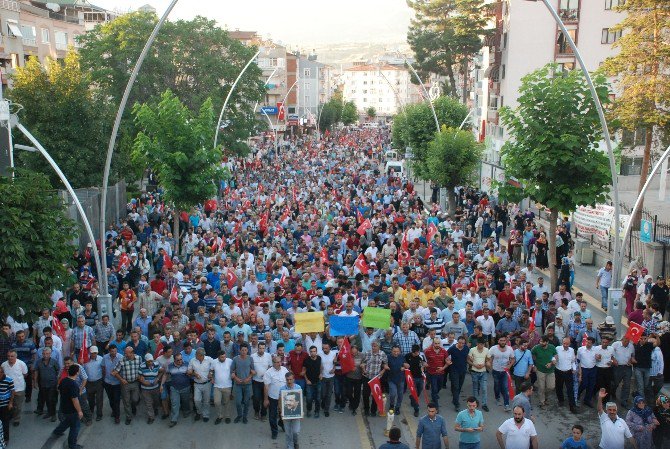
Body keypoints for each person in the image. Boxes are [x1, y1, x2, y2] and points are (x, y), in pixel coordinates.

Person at [52, 364, 83, 449]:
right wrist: (79, 411)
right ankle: (72, 445)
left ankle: (57, 431)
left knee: (67, 421)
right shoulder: (73, 384)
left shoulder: (64, 380)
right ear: (77, 373)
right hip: (72, 410)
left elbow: (59, 389)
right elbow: (74, 399)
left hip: (64, 407)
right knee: (75, 427)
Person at [112, 346, 142, 425]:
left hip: (135, 382)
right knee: (126, 401)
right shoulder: (122, 360)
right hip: (125, 384)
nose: (125, 354)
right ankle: (128, 417)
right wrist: (121, 379)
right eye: (125, 353)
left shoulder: (139, 358)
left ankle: (133, 406)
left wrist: (140, 376)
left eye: (127, 353)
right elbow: (114, 372)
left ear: (132, 353)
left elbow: (141, 368)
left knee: (135, 399)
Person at [263, 355, 289, 440]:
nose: (279, 363)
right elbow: (266, 386)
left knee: (284, 414)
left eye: (280, 362)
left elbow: (289, 381)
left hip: (284, 397)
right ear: (273, 363)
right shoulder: (268, 372)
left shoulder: (285, 370)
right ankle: (274, 431)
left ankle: (281, 423)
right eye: (277, 362)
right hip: (273, 397)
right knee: (272, 416)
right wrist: (266, 399)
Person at [489, 335, 515, 412]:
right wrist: (490, 365)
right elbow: (489, 357)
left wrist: (509, 366)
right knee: (497, 385)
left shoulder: (510, 349)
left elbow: (513, 358)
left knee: (505, 387)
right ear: (498, 341)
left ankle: (506, 405)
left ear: (506, 341)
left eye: (504, 341)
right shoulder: (493, 349)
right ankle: (497, 398)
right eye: (501, 340)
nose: (503, 342)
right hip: (496, 370)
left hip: (505, 371)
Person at [231, 343, 255, 423]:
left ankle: (245, 416)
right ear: (239, 350)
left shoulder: (250, 359)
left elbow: (253, 371)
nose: (244, 352)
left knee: (246, 402)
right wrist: (236, 378)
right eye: (242, 350)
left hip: (248, 384)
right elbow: (232, 371)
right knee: (238, 402)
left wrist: (249, 378)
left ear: (247, 350)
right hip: (238, 384)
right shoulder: (235, 359)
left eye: (245, 350)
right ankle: (239, 415)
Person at [188, 348, 214, 422]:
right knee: (196, 400)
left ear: (202, 355)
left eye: (197, 354)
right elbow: (189, 371)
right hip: (197, 384)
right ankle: (199, 412)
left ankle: (206, 415)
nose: (195, 355)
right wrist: (194, 373)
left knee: (206, 401)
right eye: (196, 354)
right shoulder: (193, 360)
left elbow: (214, 367)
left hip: (207, 383)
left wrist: (211, 373)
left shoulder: (209, 359)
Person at [279, 372, 302, 449]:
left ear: (294, 379)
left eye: (290, 379)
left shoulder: (298, 388)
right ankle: (290, 447)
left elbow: (300, 401)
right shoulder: (282, 389)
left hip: (296, 414)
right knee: (288, 433)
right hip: (286, 414)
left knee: (296, 432)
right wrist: (281, 412)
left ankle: (296, 443)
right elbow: (280, 401)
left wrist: (301, 412)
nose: (289, 381)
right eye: (287, 379)